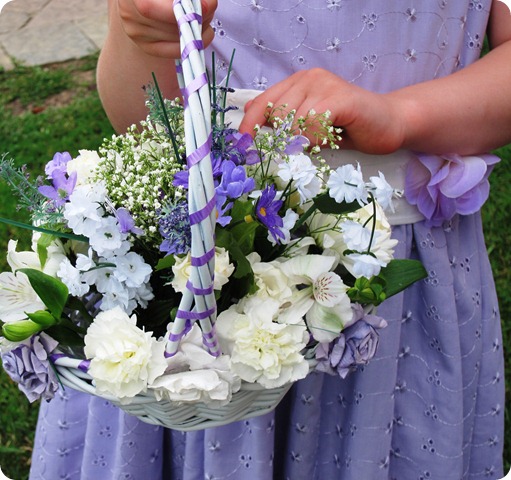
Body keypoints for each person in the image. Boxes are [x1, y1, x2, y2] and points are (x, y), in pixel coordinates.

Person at [29, 1, 509, 479]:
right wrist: (141, 35)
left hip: (380, 263)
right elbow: (140, 115)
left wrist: (400, 115)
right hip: (197, 271)